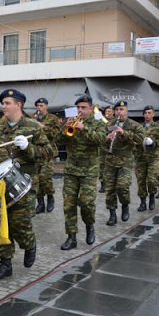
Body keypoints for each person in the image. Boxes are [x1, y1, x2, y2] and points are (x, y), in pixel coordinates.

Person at [0, 89, 53, 280]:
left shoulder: (32, 127)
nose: (3, 106)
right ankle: (5, 263)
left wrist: (29, 148)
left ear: (18, 105)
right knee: (1, 223)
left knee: (20, 224)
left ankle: (29, 244)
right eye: (2, 103)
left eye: (7, 103)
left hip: (25, 186)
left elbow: (49, 153)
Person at [57, 95, 106, 250]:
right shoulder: (72, 120)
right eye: (78, 107)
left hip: (89, 171)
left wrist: (83, 128)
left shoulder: (98, 122)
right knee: (68, 204)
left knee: (86, 203)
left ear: (91, 109)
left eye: (83, 107)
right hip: (71, 169)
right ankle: (71, 237)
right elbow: (58, 139)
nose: (80, 110)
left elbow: (100, 139)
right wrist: (65, 126)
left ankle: (89, 225)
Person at [103, 101, 143, 226]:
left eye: (122, 109)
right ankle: (112, 214)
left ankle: (125, 205)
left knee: (122, 186)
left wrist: (124, 132)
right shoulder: (109, 124)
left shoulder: (134, 125)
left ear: (127, 111)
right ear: (114, 112)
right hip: (110, 161)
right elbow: (100, 142)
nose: (119, 112)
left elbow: (140, 139)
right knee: (110, 189)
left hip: (125, 161)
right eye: (117, 110)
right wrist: (106, 139)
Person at [32, 97, 61, 214]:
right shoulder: (32, 117)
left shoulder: (53, 118)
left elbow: (56, 134)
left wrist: (42, 126)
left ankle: (50, 197)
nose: (39, 108)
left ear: (46, 106)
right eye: (38, 106)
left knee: (45, 177)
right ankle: (40, 203)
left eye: (41, 106)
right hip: (35, 152)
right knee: (36, 179)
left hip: (48, 152)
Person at [135, 106, 159, 212]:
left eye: (149, 113)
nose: (147, 115)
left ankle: (152, 197)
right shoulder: (139, 127)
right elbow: (134, 141)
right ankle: (143, 202)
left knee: (152, 180)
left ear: (153, 114)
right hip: (141, 158)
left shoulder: (158, 127)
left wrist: (153, 143)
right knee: (141, 181)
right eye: (145, 113)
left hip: (153, 158)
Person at [98, 106, 114, 192]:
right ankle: (103, 184)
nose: (108, 113)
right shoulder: (101, 122)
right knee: (102, 167)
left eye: (110, 111)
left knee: (112, 167)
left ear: (113, 112)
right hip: (103, 148)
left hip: (113, 148)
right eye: (107, 111)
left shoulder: (116, 122)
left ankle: (111, 183)